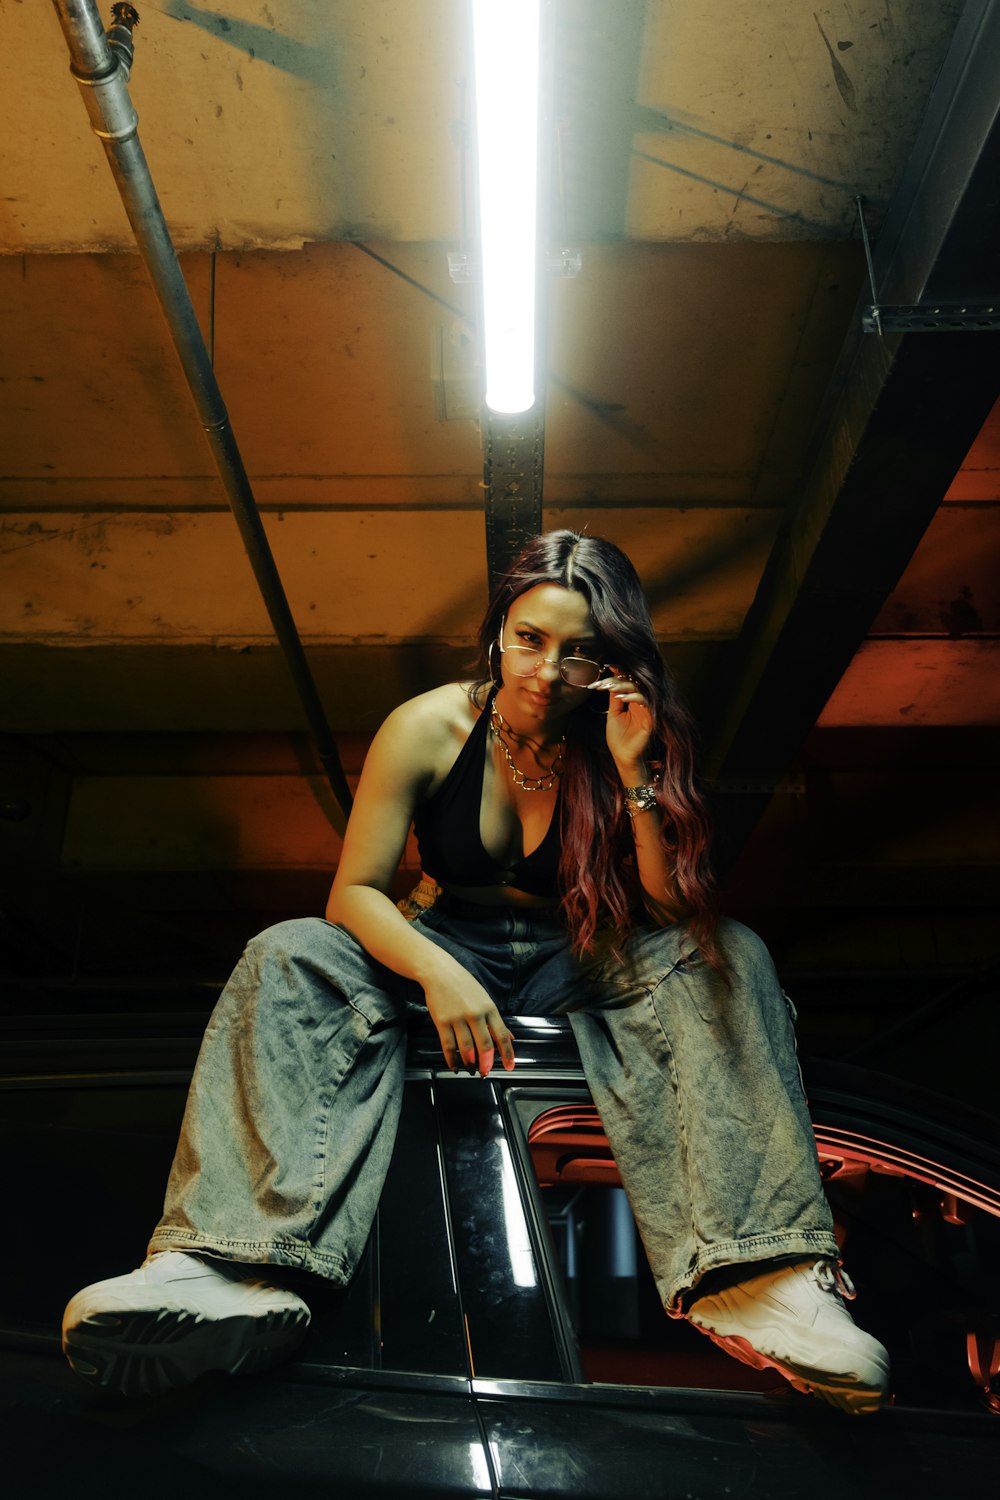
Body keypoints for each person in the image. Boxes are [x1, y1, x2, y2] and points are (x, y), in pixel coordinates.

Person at [62, 530, 889, 1413]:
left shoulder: (623, 739)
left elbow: (666, 913)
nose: (545, 670)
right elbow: (355, 893)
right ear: (499, 630)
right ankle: (231, 1271)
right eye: (529, 638)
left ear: (610, 663)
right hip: (440, 941)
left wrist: (637, 774)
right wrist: (439, 974)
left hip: (581, 959)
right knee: (288, 950)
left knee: (729, 954)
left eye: (579, 654)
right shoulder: (430, 725)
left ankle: (765, 1281)